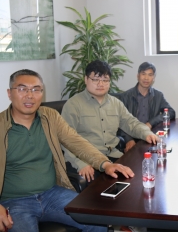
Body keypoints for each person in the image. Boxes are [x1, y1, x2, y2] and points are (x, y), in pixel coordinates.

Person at [0, 69, 134, 232]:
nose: (30, 95)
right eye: (22, 89)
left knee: (97, 222)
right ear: (9, 93)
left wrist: (105, 164)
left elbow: (75, 141)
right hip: (14, 202)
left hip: (52, 194)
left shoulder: (50, 116)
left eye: (36, 89)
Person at [61, 60, 158, 183]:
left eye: (105, 80)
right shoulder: (73, 104)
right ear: (86, 79)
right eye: (96, 79)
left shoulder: (115, 103)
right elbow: (65, 140)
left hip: (114, 156)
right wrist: (80, 164)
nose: (101, 84)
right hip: (87, 160)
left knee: (139, 176)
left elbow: (131, 122)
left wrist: (147, 133)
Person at [112, 62, 175, 145]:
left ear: (154, 78)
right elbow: (119, 121)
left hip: (150, 136)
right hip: (132, 137)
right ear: (138, 76)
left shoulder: (158, 95)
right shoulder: (126, 96)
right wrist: (128, 140)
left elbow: (171, 112)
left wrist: (151, 123)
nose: (146, 78)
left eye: (150, 75)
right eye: (143, 74)